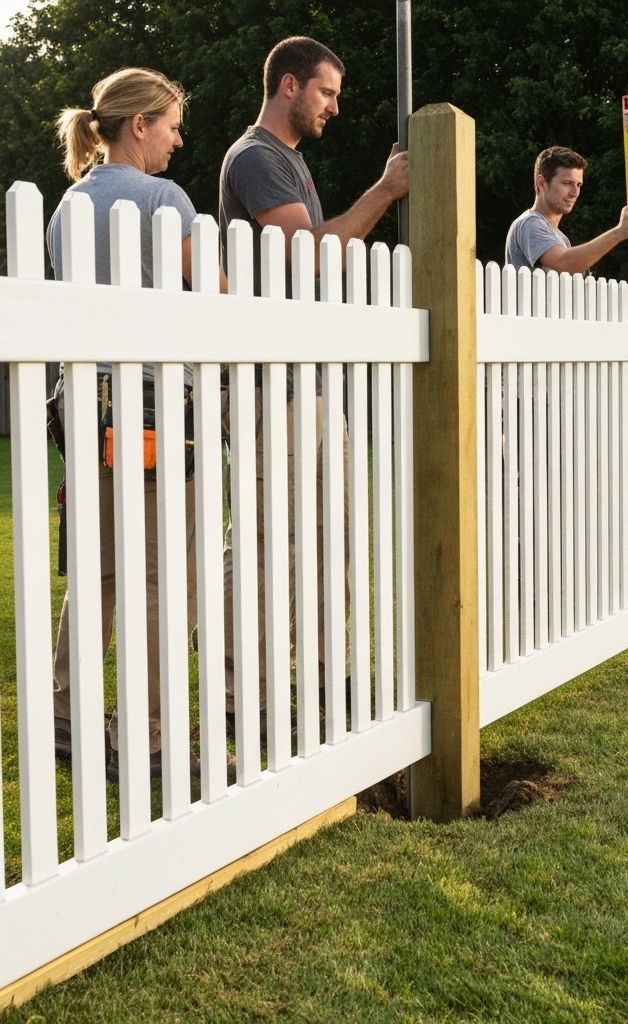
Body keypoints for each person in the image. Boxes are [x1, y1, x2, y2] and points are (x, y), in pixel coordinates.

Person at [218, 36, 408, 724]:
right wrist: (385, 191)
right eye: (327, 92)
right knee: (269, 541)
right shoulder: (256, 158)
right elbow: (309, 257)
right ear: (290, 85)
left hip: (311, 382)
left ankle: (327, 675)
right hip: (271, 384)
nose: (334, 106)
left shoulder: (290, 161)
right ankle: (243, 693)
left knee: (337, 528)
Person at [48, 67, 222, 782]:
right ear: (139, 125)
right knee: (163, 578)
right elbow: (211, 297)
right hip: (151, 409)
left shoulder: (67, 205)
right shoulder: (162, 197)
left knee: (101, 571)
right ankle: (150, 738)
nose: (179, 141)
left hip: (81, 407)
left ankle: (66, 717)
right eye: (173, 126)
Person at [504, 146, 628, 273]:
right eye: (567, 183)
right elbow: (563, 264)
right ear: (542, 183)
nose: (575, 192)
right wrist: (618, 233)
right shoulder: (530, 223)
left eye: (578, 184)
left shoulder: (561, 238)